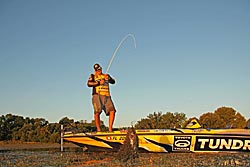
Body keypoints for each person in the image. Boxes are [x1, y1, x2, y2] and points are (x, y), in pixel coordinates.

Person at [87, 63, 116, 132]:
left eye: (99, 69)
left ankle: (110, 129)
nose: (98, 71)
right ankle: (99, 129)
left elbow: (113, 82)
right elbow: (89, 84)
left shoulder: (105, 75)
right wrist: (99, 83)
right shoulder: (92, 76)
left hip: (107, 95)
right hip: (97, 95)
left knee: (112, 111)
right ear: (95, 70)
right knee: (97, 111)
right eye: (97, 70)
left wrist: (109, 78)